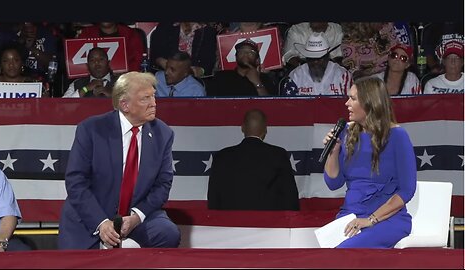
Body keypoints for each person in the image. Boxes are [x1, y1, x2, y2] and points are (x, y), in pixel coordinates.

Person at [58, 71, 181, 249]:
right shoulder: (92, 129)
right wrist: (101, 222)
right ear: (125, 105)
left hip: (136, 212)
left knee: (167, 234)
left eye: (154, 96)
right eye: (145, 99)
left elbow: (163, 185)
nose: (154, 104)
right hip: (92, 212)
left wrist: (137, 217)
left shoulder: (163, 134)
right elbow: (76, 182)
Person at [321, 76, 417, 248]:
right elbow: (333, 183)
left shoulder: (397, 136)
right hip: (350, 216)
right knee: (323, 255)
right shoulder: (346, 132)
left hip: (386, 219)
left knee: (343, 251)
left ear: (369, 102)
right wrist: (333, 152)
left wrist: (370, 220)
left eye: (353, 98)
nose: (347, 103)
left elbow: (407, 190)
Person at [207, 109, 300, 210]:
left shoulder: (222, 157)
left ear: (242, 128)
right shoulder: (278, 155)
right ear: (265, 130)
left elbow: (213, 199)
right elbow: (290, 197)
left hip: (231, 223)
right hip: (268, 223)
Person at [280, 32, 352, 96]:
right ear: (306, 58)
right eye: (311, 59)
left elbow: (349, 106)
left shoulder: (342, 75)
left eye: (320, 58)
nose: (315, 62)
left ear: (327, 57)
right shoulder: (295, 76)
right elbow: (288, 107)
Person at [206, 39, 276, 96]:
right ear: (236, 57)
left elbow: (271, 106)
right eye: (241, 51)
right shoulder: (221, 76)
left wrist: (257, 83)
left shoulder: (265, 78)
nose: (245, 53)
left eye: (251, 52)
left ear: (257, 60)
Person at [149, 22, 217, 77]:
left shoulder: (208, 31)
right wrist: (161, 61)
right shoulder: (165, 26)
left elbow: (209, 62)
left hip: (193, 79)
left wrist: (200, 70)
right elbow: (155, 55)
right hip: (165, 76)